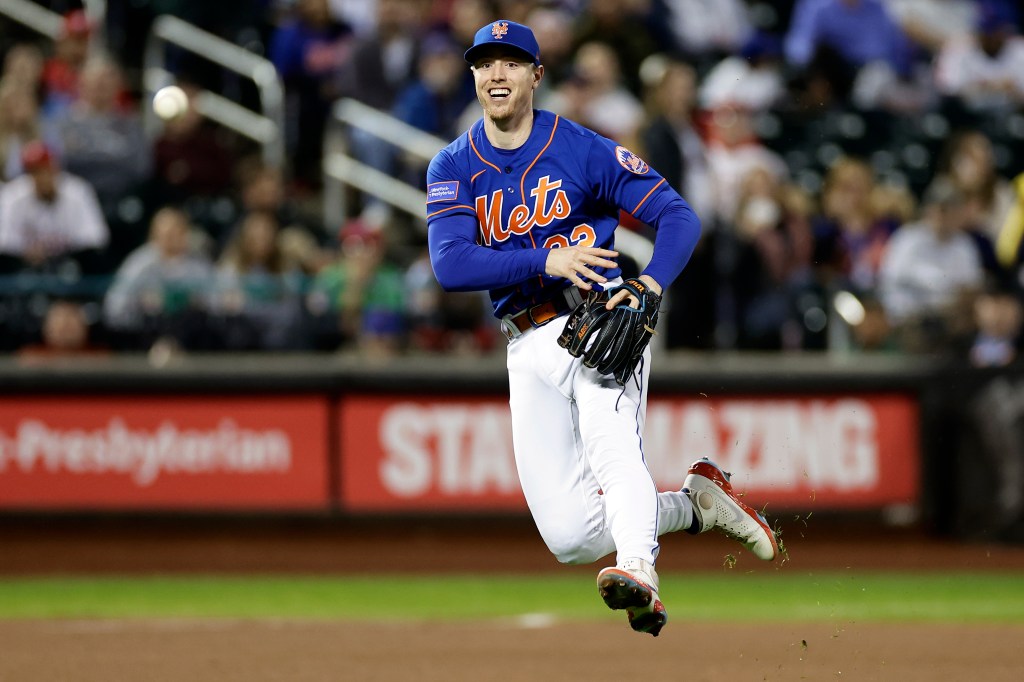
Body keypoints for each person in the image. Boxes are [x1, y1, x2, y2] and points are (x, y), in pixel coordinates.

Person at [425, 20, 779, 638]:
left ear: (537, 75)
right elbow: (451, 265)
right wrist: (545, 258)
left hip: (599, 319)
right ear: (474, 76)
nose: (496, 74)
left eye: (511, 63)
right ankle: (694, 506)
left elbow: (677, 217)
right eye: (485, 64)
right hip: (524, 340)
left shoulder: (582, 147)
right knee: (568, 535)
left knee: (616, 458)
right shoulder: (454, 165)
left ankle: (640, 570)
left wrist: (651, 284)